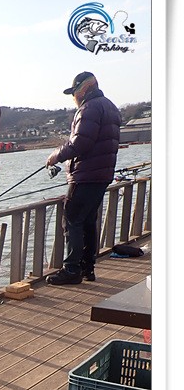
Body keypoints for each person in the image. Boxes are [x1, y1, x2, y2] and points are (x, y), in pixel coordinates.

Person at [46, 71, 121, 285]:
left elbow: (80, 142)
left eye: (74, 91)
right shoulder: (110, 106)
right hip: (102, 175)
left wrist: (56, 155)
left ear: (85, 88)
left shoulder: (90, 108)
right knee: (87, 221)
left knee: (72, 220)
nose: (74, 97)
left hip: (86, 175)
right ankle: (88, 267)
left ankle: (72, 270)